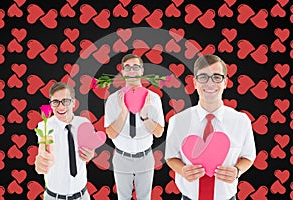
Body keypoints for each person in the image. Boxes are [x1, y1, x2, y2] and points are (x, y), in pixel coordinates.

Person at [165, 54, 256, 200]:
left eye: (216, 77)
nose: (210, 83)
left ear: (225, 82)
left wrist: (237, 171)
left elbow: (249, 157)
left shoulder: (241, 121)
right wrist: (182, 170)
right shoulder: (178, 121)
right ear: (195, 83)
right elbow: (171, 157)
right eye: (203, 77)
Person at [104, 54, 165, 200]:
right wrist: (123, 113)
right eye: (128, 67)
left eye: (136, 67)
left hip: (145, 157)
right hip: (121, 157)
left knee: (145, 197)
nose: (132, 71)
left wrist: (144, 115)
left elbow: (158, 133)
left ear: (142, 71)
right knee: (123, 197)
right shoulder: (113, 99)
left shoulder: (153, 98)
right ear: (123, 71)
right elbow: (111, 134)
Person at [35, 82, 95, 200]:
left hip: (82, 196)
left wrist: (91, 154)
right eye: (55, 102)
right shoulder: (45, 126)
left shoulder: (84, 123)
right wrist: (41, 160)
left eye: (65, 101)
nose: (61, 107)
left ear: (73, 102)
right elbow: (43, 148)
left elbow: (90, 150)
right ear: (51, 105)